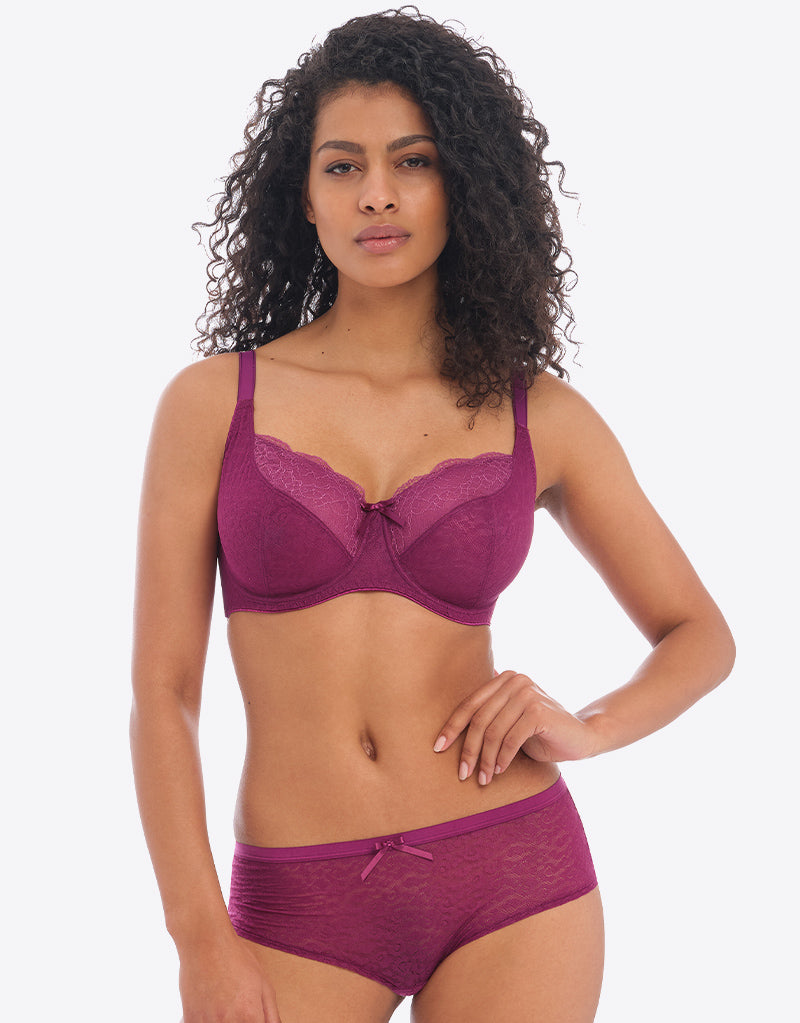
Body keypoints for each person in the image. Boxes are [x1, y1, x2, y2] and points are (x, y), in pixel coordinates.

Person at [130, 8, 735, 1023]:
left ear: (465, 183)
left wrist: (588, 726)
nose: (377, 193)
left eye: (412, 161)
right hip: (299, 898)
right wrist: (198, 936)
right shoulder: (212, 403)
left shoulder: (540, 414)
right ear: (303, 196)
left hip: (514, 878)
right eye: (342, 166)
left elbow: (700, 635)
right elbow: (164, 691)